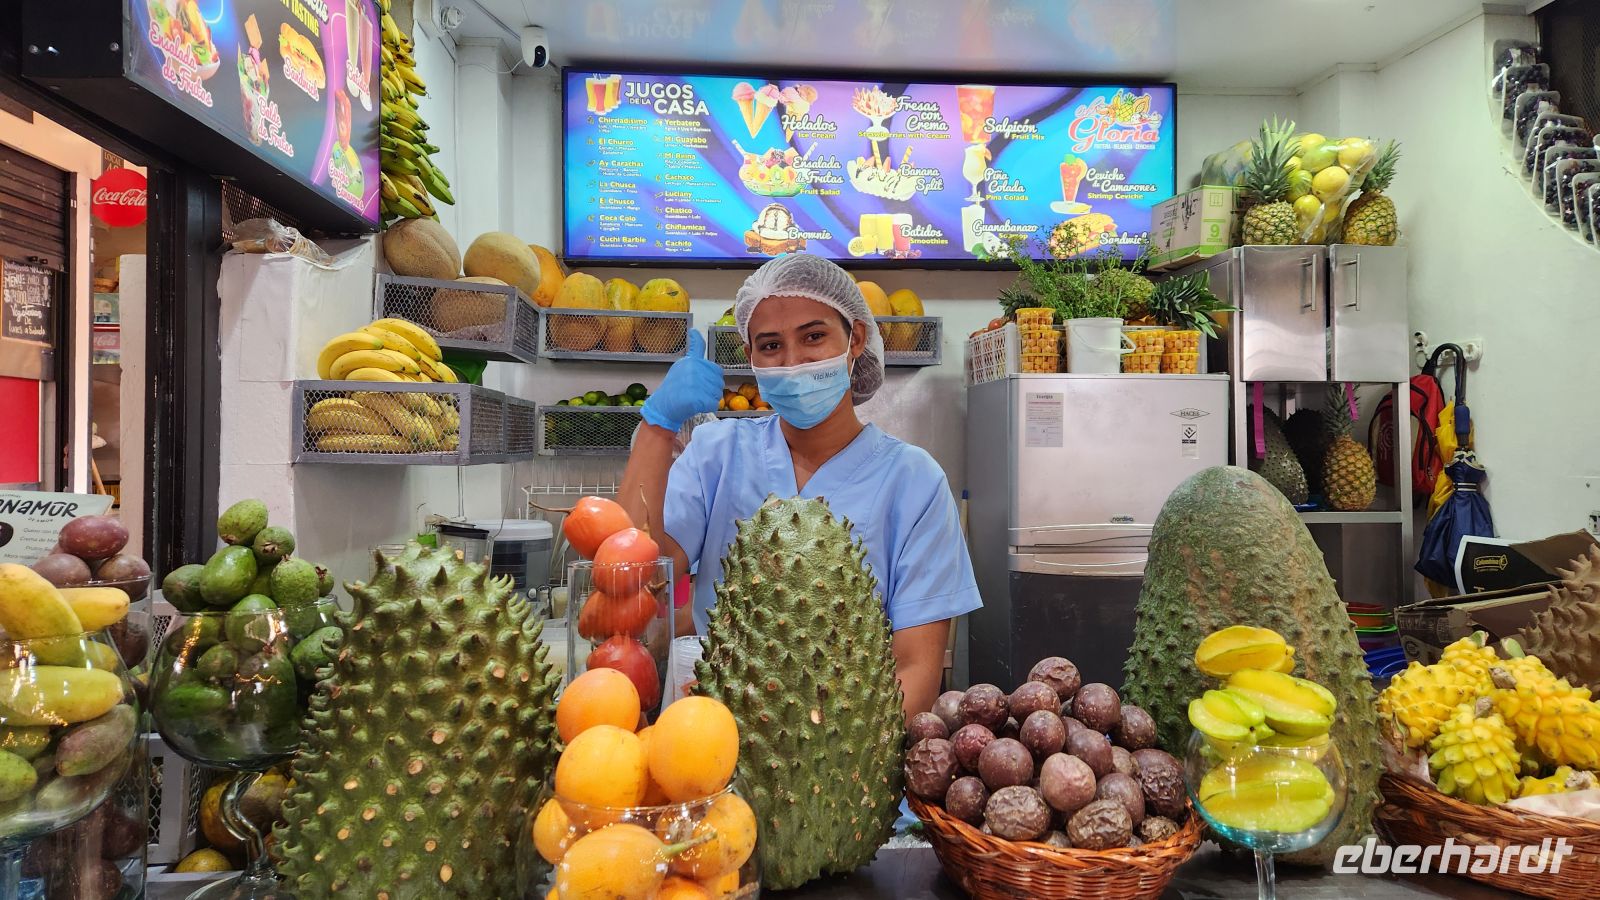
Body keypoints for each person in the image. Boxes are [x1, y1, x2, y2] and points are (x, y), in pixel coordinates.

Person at [620, 253, 982, 718]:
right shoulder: (717, 454)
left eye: (813, 336)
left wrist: (824, 742)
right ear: (750, 358)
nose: (793, 362)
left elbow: (915, 671)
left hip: (850, 748)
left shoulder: (915, 483)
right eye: (770, 345)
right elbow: (635, 574)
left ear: (855, 339)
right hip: (714, 742)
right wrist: (657, 425)